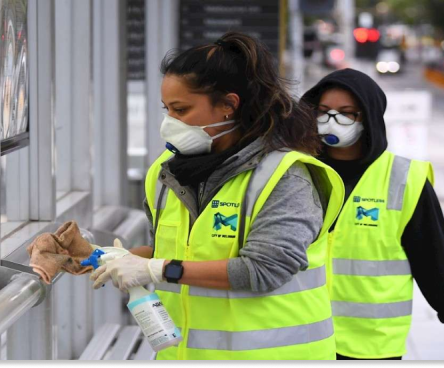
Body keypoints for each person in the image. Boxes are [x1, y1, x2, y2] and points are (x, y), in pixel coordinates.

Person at [90, 32, 345, 360]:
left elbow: (264, 269)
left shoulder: (285, 177)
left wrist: (157, 269)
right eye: (167, 109)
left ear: (228, 105)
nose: (170, 122)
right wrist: (110, 258)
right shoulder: (167, 174)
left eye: (181, 109)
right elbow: (177, 251)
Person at [301, 68, 444, 360]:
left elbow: (433, 262)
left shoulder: (405, 179)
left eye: (346, 113)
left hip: (371, 344)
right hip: (303, 337)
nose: (332, 121)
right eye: (323, 112)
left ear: (368, 117)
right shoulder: (298, 171)